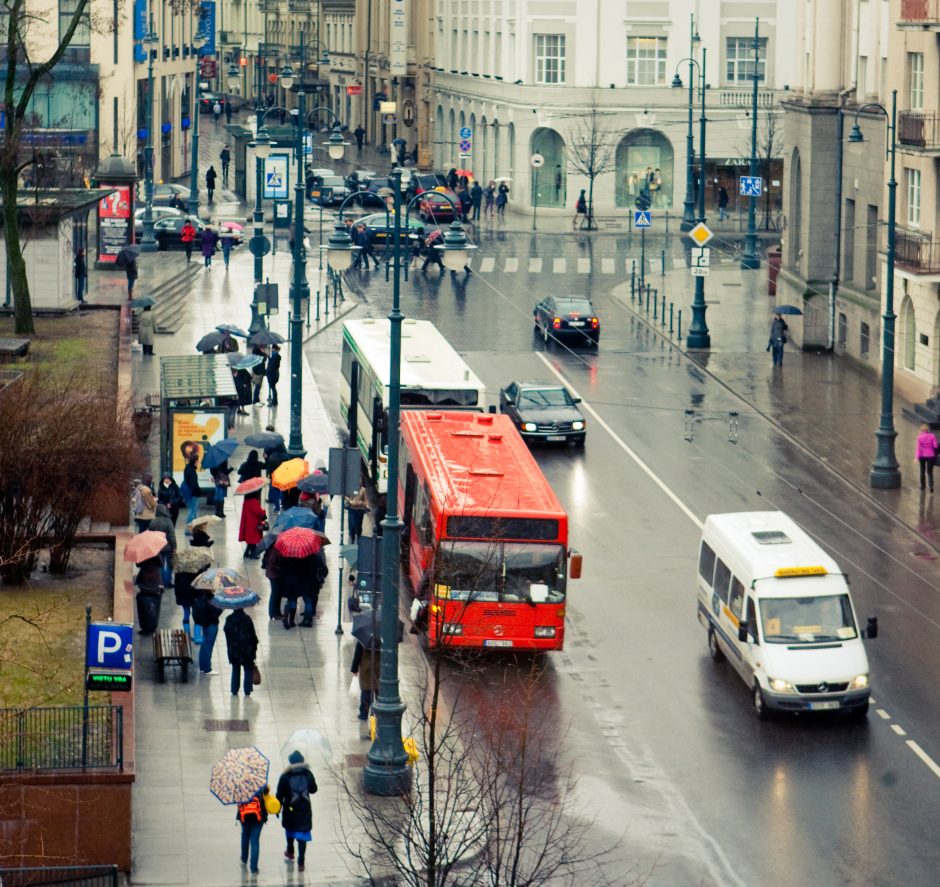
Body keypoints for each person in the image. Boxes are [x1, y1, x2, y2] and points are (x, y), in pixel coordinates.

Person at [276, 751, 317, 872]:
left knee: (290, 829)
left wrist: (277, 808)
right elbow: (314, 790)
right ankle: (301, 862)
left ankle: (290, 851)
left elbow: (280, 794)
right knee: (302, 834)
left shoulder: (285, 775)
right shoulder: (307, 773)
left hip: (290, 808)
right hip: (304, 808)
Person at [224, 607, 259, 696]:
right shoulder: (247, 619)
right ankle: (247, 690)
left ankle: (234, 689)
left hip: (234, 649)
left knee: (235, 669)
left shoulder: (229, 619)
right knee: (248, 668)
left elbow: (226, 632)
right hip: (247, 650)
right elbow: (253, 635)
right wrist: (254, 648)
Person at [236, 785, 269, 874]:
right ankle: (253, 868)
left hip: (244, 815)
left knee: (245, 835)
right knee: (255, 841)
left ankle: (244, 858)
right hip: (258, 816)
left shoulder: (240, 783)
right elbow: (266, 793)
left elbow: (236, 797)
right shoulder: (260, 781)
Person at [174, 559, 208, 640]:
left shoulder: (179, 570)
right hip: (194, 595)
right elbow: (199, 583)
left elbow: (177, 585)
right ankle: (198, 636)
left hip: (183, 596)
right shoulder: (196, 569)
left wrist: (178, 596)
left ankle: (187, 636)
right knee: (197, 615)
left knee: (186, 614)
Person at [192, 587, 222, 674]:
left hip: (205, 624)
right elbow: (215, 613)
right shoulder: (212, 600)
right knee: (208, 646)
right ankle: (207, 669)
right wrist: (221, 609)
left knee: (204, 645)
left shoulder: (201, 598)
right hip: (212, 625)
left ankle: (202, 667)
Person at [351, 637, 380, 721]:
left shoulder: (363, 638)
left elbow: (357, 654)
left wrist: (354, 668)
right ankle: (379, 713)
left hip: (366, 668)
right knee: (379, 692)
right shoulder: (383, 637)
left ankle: (364, 713)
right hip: (379, 668)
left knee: (366, 691)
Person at [148, 503, 177, 587]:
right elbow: (172, 536)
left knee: (159, 564)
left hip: (157, 547)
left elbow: (150, 535)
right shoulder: (168, 521)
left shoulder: (153, 521)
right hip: (167, 547)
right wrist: (174, 547)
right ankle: (167, 582)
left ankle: (160, 582)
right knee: (168, 564)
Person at [238, 489, 266, 560]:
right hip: (253, 524)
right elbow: (258, 512)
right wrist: (263, 511)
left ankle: (247, 552)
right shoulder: (254, 501)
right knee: (253, 540)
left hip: (248, 524)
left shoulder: (246, 501)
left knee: (250, 540)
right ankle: (253, 554)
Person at [262, 541, 284, 620]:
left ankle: (277, 612)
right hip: (274, 575)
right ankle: (272, 613)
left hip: (276, 574)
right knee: (275, 593)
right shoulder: (275, 549)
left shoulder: (277, 548)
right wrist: (282, 568)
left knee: (278, 594)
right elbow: (272, 564)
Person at [916, 424, 939, 492]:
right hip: (931, 455)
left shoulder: (919, 437)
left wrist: (917, 457)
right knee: (929, 471)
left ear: (921, 430)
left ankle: (922, 486)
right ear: (927, 430)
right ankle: (931, 486)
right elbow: (935, 446)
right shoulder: (932, 436)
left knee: (922, 471)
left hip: (922, 456)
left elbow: (918, 448)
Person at [182, 452, 202, 530]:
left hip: (189, 494)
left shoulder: (188, 468)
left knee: (193, 511)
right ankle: (188, 529)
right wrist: (198, 491)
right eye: (197, 460)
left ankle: (193, 529)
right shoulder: (192, 471)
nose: (198, 462)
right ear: (195, 461)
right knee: (193, 512)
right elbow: (194, 485)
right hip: (193, 494)